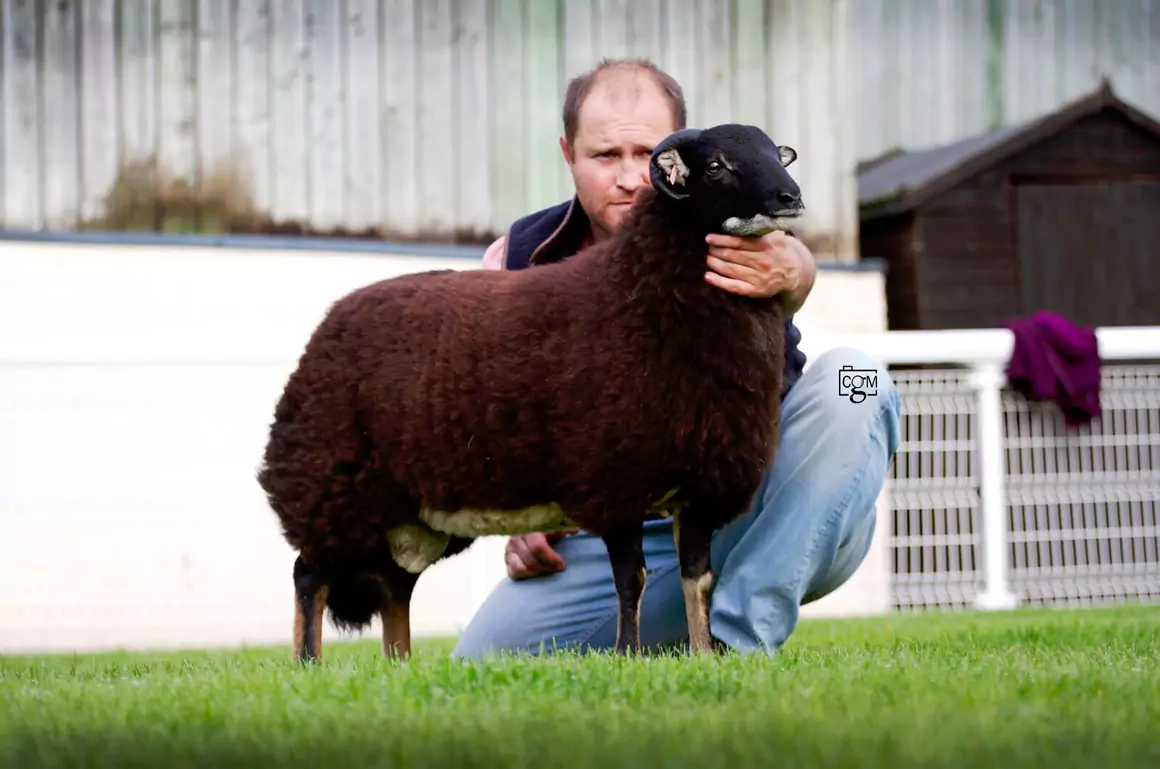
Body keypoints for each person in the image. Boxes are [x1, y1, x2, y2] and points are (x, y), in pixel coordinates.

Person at [451, 58, 901, 658]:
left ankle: (737, 645)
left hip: (769, 502)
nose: (632, 177)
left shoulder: (742, 230)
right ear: (568, 154)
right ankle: (681, 621)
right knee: (482, 660)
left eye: (649, 153)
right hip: (618, 534)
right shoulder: (518, 260)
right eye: (606, 156)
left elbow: (786, 245)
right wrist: (520, 509)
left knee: (857, 376)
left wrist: (799, 266)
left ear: (684, 155)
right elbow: (490, 418)